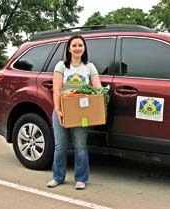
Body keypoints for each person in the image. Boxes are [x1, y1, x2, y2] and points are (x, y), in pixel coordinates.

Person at [47, 34, 102, 190]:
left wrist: (100, 97)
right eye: (74, 45)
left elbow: (97, 88)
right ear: (69, 49)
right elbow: (56, 90)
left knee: (80, 145)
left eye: (80, 45)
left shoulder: (89, 66)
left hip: (81, 111)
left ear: (84, 48)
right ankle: (57, 177)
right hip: (63, 107)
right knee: (60, 146)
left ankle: (81, 179)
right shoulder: (61, 66)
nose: (77, 48)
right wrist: (58, 110)